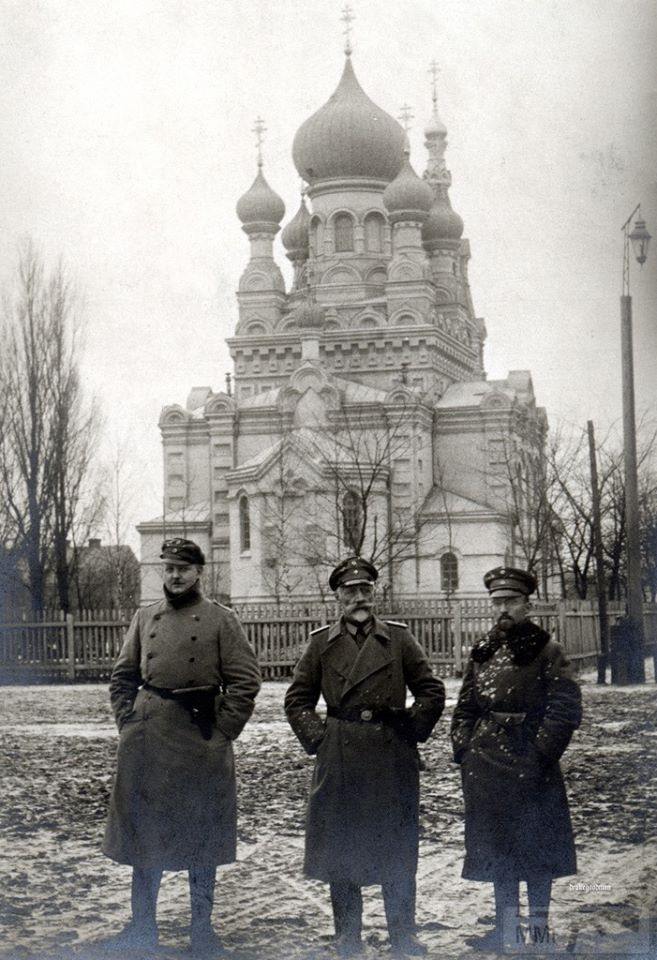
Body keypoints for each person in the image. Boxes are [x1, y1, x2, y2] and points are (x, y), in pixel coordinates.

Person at [102, 538, 261, 956]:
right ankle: (142, 928)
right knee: (143, 835)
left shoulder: (220, 620)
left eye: (183, 568)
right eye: (168, 568)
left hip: (199, 740)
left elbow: (246, 681)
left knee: (202, 836)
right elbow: (122, 677)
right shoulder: (144, 617)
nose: (174, 575)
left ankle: (202, 932)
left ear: (198, 573)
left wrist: (222, 731)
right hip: (147, 741)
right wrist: (129, 720)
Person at [284, 556, 445, 958]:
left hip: (391, 755)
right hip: (340, 755)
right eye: (351, 592)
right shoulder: (321, 643)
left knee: (396, 845)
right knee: (342, 846)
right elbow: (297, 700)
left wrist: (411, 730)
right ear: (337, 597)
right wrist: (321, 739)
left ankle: (403, 936)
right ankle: (347, 936)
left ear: (375, 593)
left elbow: (432, 691)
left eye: (366, 591)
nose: (359, 598)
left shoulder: (400, 639)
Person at [451, 566, 582, 952]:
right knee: (498, 849)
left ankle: (538, 931)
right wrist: (464, 747)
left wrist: (540, 754)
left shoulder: (547, 650)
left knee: (537, 850)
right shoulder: (483, 650)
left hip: (531, 763)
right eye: (497, 602)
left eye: (510, 601)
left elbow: (565, 709)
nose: (503, 609)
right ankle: (506, 930)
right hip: (487, 763)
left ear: (528, 604)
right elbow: (465, 707)